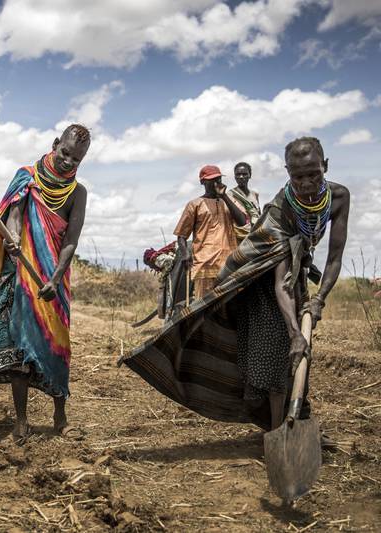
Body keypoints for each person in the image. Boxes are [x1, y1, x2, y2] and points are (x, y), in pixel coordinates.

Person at [119, 137, 349, 435]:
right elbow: (281, 283)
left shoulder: (339, 197)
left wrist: (319, 301)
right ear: (287, 173)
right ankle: (275, 428)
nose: (305, 183)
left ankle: (295, 421)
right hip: (259, 280)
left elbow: (335, 257)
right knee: (278, 350)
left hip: (294, 273)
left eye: (313, 174)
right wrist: (295, 332)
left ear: (326, 166)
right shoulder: (282, 208)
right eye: (297, 176)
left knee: (295, 351)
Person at [0, 124, 90, 440]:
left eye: (76, 159)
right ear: (55, 144)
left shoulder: (78, 193)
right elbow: (14, 217)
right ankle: (21, 422)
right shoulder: (27, 177)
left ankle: (60, 418)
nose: (68, 162)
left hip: (52, 281)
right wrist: (14, 243)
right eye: (65, 153)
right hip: (19, 274)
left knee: (56, 346)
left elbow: (71, 240)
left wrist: (54, 279)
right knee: (17, 351)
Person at [174, 165, 247, 299]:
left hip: (229, 264)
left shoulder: (230, 201)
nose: (215, 183)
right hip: (205, 265)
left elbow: (242, 221)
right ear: (202, 182)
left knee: (231, 306)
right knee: (204, 308)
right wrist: (185, 254)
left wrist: (224, 196)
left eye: (218, 179)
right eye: (211, 180)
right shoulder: (195, 204)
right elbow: (182, 235)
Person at [227, 162, 261, 241]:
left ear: (250, 175)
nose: (241, 177)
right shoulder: (230, 195)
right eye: (238, 174)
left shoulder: (254, 194)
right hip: (239, 236)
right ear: (235, 177)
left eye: (244, 174)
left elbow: (258, 214)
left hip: (255, 235)